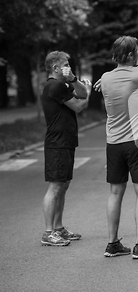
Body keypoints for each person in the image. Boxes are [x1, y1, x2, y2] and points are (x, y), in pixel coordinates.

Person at [95, 36, 138, 259]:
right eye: (135, 51)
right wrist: (137, 61)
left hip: (113, 142)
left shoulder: (105, 78)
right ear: (131, 56)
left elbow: (108, 79)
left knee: (115, 192)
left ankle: (112, 244)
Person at [41, 51, 91, 246]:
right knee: (55, 187)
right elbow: (79, 105)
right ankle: (48, 232)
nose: (69, 67)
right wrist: (88, 94)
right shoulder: (54, 86)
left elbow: (81, 93)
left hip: (66, 141)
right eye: (66, 65)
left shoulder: (63, 84)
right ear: (55, 67)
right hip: (57, 143)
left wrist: (75, 79)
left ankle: (59, 228)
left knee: (63, 184)